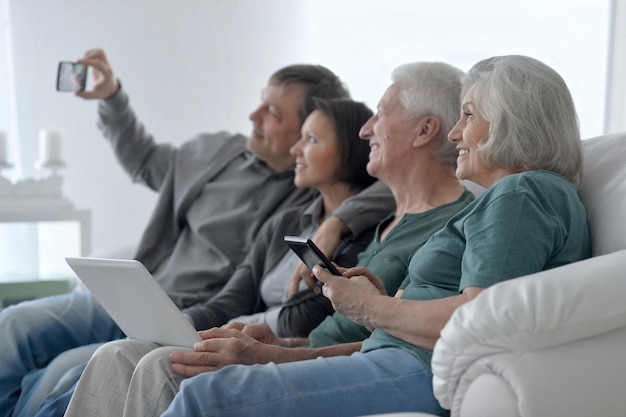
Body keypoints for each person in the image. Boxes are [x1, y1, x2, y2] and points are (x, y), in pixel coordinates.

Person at [74, 55, 591, 417]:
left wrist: (367, 306)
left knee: (194, 390)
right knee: (133, 360)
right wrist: (281, 350)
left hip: (417, 373)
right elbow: (406, 333)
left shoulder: (522, 194)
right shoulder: (507, 200)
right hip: (395, 357)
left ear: (512, 121)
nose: (457, 134)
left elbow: (478, 322)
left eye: (470, 116)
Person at [0, 49, 395, 417]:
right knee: (15, 325)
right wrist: (113, 98)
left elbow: (389, 179)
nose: (254, 115)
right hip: (141, 290)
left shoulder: (303, 193)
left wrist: (335, 223)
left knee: (60, 375)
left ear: (308, 133)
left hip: (191, 309)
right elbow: (145, 161)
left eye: (273, 111)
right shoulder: (215, 151)